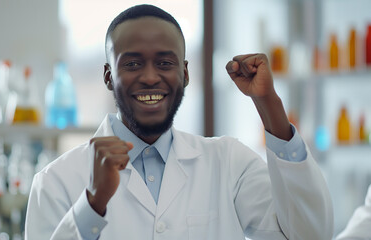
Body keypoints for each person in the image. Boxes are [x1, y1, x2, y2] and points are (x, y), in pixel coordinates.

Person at [25, 4, 333, 240]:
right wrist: (91, 205)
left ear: (185, 73)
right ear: (108, 76)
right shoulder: (55, 182)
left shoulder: (229, 162)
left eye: (164, 63)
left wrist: (270, 106)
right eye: (132, 64)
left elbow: (310, 234)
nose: (149, 77)